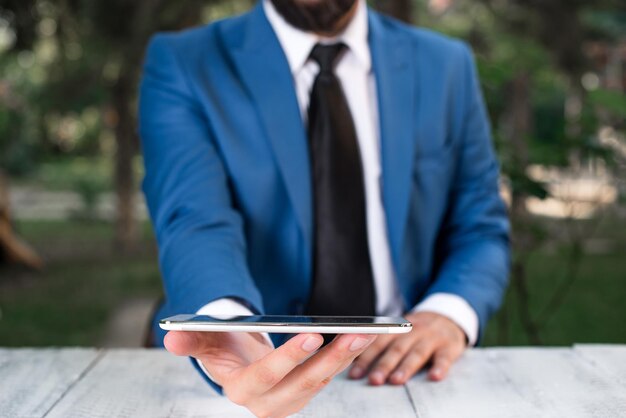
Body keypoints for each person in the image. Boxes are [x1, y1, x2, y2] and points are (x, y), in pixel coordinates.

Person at [139, 0, 510, 416]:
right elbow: (195, 217)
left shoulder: (446, 65)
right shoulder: (186, 63)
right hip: (250, 372)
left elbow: (480, 227)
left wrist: (447, 313)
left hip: (406, 378)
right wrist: (227, 328)